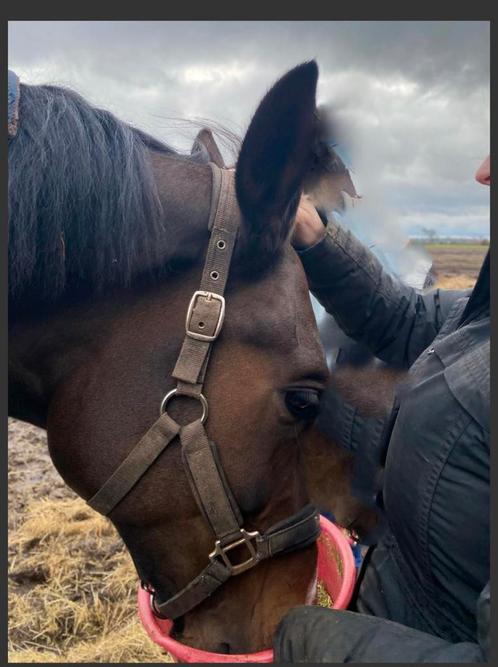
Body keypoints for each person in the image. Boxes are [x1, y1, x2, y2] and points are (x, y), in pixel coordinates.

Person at [273, 156, 490, 662]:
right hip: (394, 596)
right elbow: (410, 319)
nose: (482, 171)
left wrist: (314, 642)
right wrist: (316, 237)